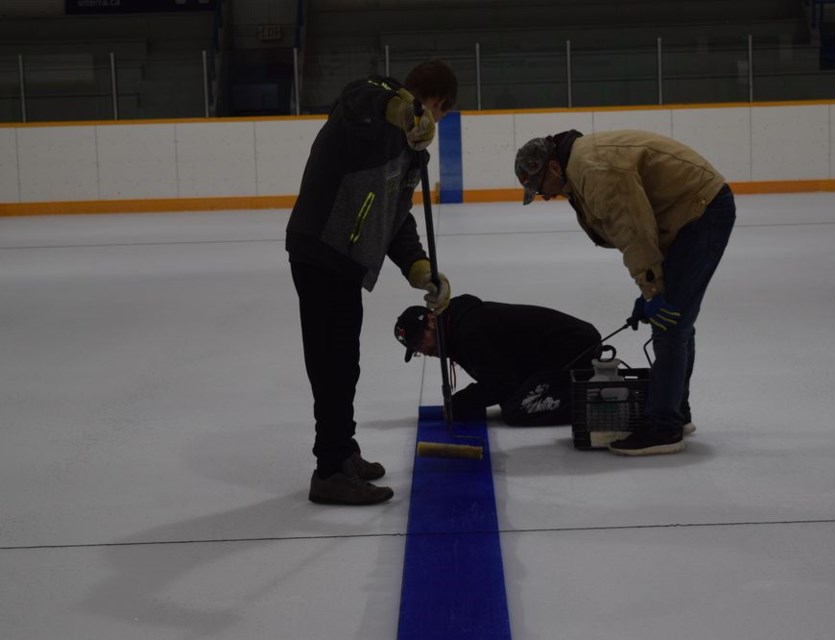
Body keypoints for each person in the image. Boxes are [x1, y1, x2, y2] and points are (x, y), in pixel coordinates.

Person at [286, 60, 458, 505]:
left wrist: (419, 267)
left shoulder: (412, 151)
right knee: (332, 364)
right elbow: (361, 93)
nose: (430, 125)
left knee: (345, 362)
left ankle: (344, 451)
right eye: (435, 114)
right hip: (321, 248)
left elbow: (394, 217)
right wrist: (405, 109)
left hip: (346, 261)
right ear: (436, 104)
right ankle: (329, 470)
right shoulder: (370, 106)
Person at [514, 129, 735, 456]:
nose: (545, 196)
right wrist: (651, 288)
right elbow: (642, 226)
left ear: (553, 169)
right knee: (676, 318)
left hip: (700, 211)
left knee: (671, 321)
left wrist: (652, 290)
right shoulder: (581, 168)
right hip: (687, 216)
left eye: (540, 188)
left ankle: (664, 427)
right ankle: (676, 410)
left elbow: (634, 230)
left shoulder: (594, 170)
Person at [394, 294, 602, 426]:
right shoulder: (454, 327)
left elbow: (501, 385)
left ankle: (593, 400)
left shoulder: (468, 333)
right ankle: (584, 384)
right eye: (416, 349)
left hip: (573, 347)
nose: (425, 349)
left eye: (421, 340)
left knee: (518, 409)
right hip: (548, 354)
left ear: (431, 320)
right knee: (511, 400)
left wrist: (460, 403)